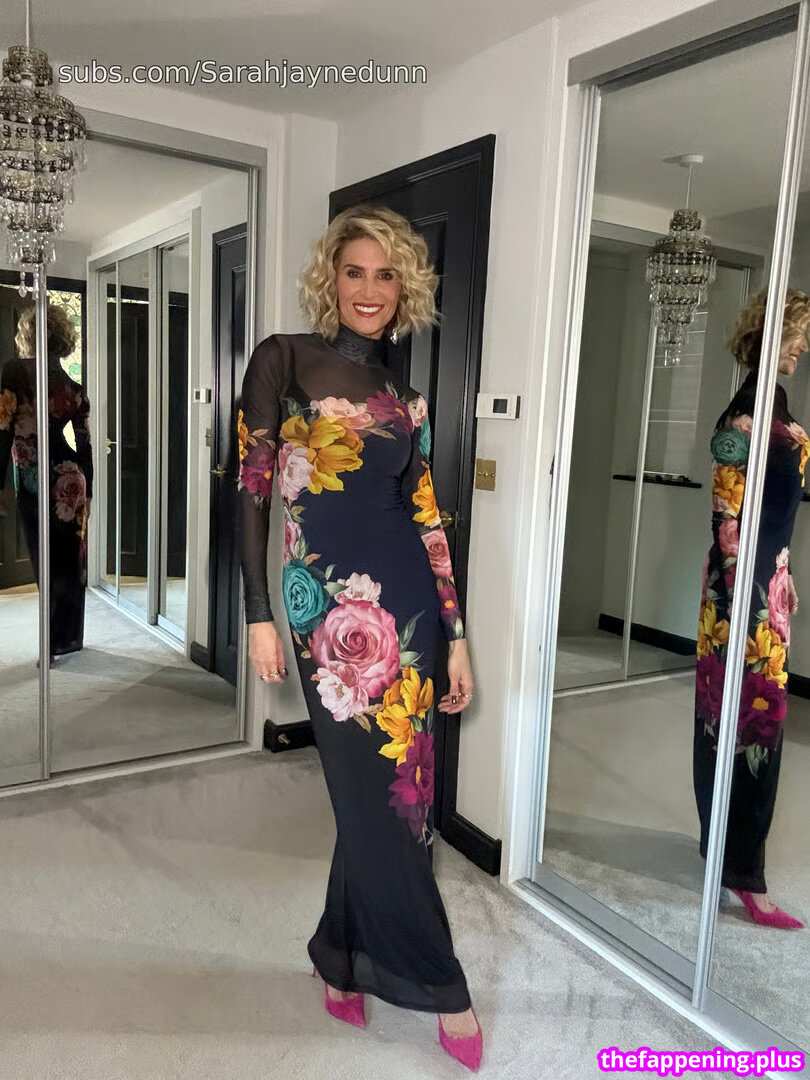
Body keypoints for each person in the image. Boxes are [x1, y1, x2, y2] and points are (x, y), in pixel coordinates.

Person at [237, 204, 481, 1070]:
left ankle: (338, 953)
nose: (369, 290)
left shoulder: (407, 402)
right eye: (354, 272)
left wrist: (455, 633)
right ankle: (440, 981)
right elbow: (252, 492)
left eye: (386, 275)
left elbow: (426, 517)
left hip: (408, 606)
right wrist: (259, 611)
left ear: (404, 287)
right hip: (327, 612)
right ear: (331, 279)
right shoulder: (282, 360)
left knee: (398, 794)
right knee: (379, 798)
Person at [694, 287, 810, 930]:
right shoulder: (746, 415)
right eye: (798, 332)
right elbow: (727, 522)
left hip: (764, 584)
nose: (804, 345)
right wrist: (753, 600)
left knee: (733, 722)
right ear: (772, 333)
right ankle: (744, 875)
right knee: (750, 728)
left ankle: (723, 853)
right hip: (745, 596)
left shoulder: (774, 402)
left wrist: (779, 577)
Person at [0, 303, 93, 661]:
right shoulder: (72, 386)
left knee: (44, 563)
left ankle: (49, 646)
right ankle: (66, 639)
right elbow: (84, 445)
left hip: (33, 480)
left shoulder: (14, 372)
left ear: (27, 335)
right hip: (72, 481)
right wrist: (90, 490)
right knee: (69, 562)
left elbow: (2, 430)